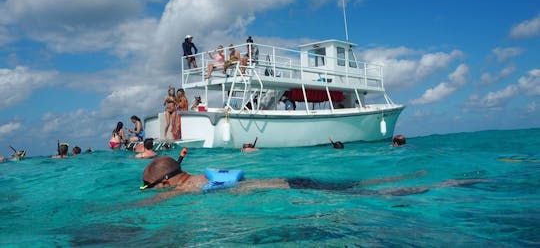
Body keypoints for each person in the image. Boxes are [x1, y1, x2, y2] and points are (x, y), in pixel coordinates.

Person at [138, 152, 490, 204]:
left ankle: (447, 185)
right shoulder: (197, 175)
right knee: (362, 187)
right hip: (292, 179)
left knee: (379, 196)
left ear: (166, 181)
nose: (150, 192)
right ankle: (418, 173)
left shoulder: (181, 189)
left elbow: (139, 207)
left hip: (292, 188)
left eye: (149, 186)